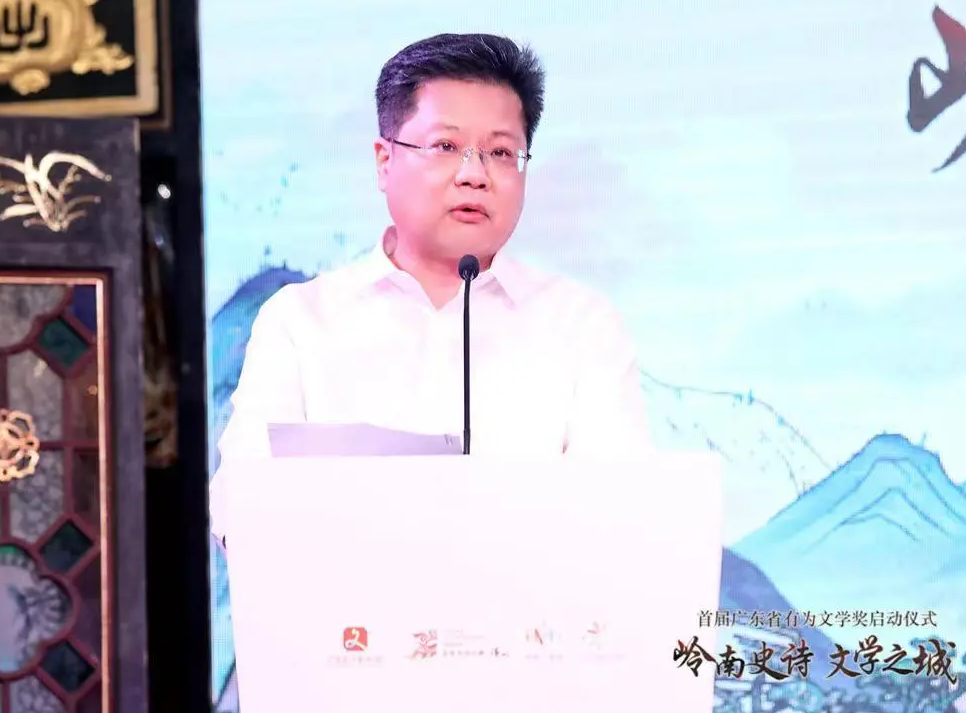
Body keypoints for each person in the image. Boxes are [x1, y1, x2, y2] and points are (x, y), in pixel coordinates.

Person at [210, 33, 651, 545]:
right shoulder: (300, 322)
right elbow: (239, 511)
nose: (475, 175)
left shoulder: (582, 326)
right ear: (384, 161)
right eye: (446, 147)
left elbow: (620, 513)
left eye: (501, 152)